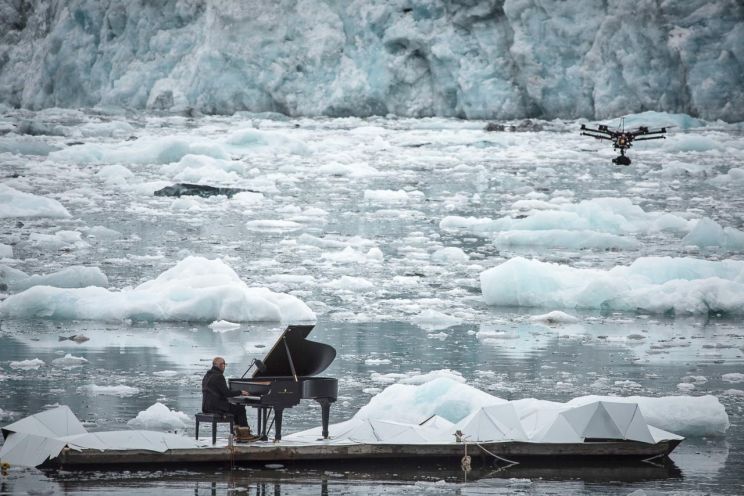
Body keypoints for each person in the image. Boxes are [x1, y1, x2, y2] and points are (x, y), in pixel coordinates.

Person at [201, 356, 250, 428]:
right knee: (240, 409)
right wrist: (241, 392)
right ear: (221, 365)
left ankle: (238, 432)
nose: (224, 366)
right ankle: (245, 433)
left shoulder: (207, 375)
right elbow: (227, 393)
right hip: (216, 407)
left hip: (206, 407)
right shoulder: (219, 376)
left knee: (236, 408)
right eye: (224, 364)